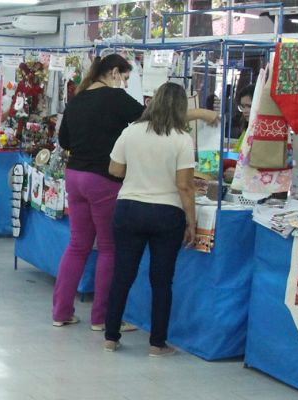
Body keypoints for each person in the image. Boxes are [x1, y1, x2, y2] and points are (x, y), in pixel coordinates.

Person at [51, 55, 218, 330]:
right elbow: (157, 117)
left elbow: (64, 140)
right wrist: (201, 113)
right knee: (108, 248)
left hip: (75, 176)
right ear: (114, 72)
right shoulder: (116, 98)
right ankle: (102, 318)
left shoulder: (77, 99)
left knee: (77, 245)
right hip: (102, 178)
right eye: (126, 78)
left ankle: (61, 312)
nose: (126, 84)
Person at [102, 82, 203, 357]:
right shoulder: (182, 139)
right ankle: (157, 343)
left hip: (129, 208)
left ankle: (111, 337)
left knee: (122, 275)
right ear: (181, 108)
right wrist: (191, 221)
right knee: (161, 281)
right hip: (166, 213)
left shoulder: (131, 131)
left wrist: (140, 171)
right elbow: (185, 186)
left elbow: (114, 169)